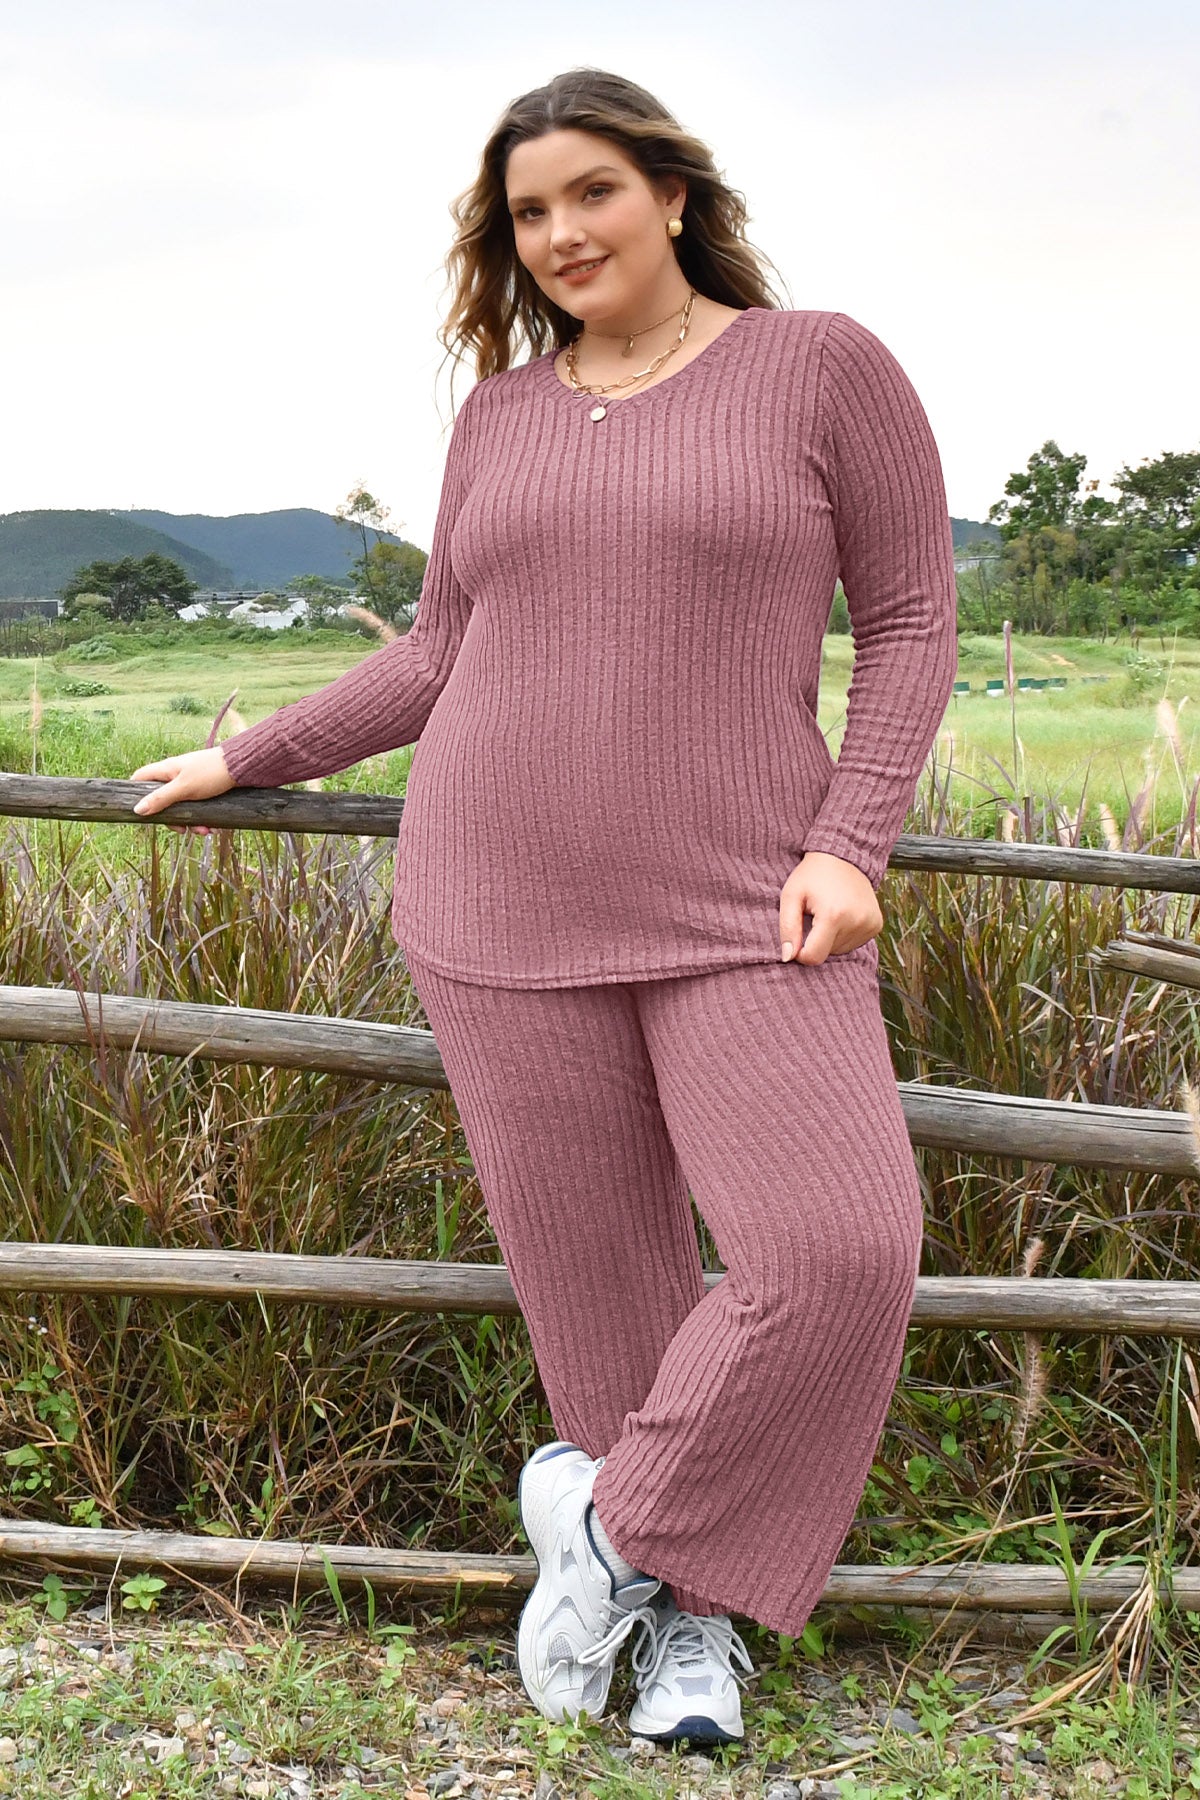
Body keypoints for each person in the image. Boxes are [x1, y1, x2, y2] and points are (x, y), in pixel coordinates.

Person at [128, 67, 959, 1747]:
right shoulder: (501, 415)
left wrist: (851, 843)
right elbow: (441, 649)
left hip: (751, 901)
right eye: (528, 212)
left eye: (593, 191)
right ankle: (686, 1637)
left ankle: (605, 1528)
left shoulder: (820, 365)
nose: (563, 233)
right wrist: (253, 754)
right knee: (607, 1305)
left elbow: (914, 622)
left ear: (672, 193)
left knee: (839, 1250)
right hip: (495, 904)